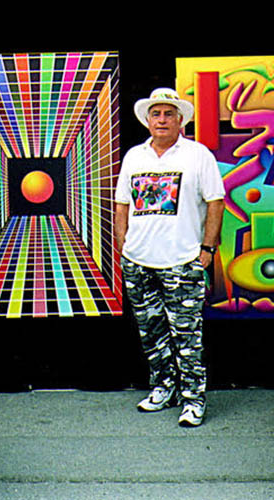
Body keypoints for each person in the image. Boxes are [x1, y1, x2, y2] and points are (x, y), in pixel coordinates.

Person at [114, 88, 225, 427]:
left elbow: (216, 202)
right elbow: (122, 205)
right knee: (151, 333)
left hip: (183, 261)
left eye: (168, 114)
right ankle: (164, 388)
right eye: (156, 114)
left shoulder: (198, 155)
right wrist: (124, 245)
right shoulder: (134, 156)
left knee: (188, 337)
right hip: (138, 261)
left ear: (180, 120)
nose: (161, 120)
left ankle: (193, 400)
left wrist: (207, 249)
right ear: (147, 120)